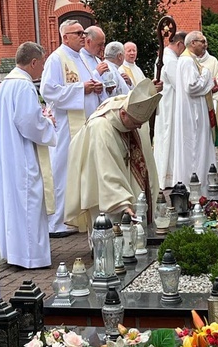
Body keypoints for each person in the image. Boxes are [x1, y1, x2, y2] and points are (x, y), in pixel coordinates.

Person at [64, 79, 161, 236]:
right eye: (136, 123)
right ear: (123, 114)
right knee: (108, 233)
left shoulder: (127, 108)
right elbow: (106, 172)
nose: (139, 127)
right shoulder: (101, 128)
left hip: (121, 182)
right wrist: (122, 203)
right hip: (102, 190)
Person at [0, 42, 57, 269]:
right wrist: (48, 122)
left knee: (13, 203)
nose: (42, 69)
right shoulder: (24, 86)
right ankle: (31, 256)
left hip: (8, 153)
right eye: (41, 64)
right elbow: (30, 123)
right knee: (29, 201)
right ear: (33, 62)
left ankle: (14, 252)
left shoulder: (6, 83)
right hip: (22, 155)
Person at [40, 19, 106, 237]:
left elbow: (89, 82)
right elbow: (48, 90)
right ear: (65, 37)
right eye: (77, 33)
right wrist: (82, 89)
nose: (82, 35)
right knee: (62, 171)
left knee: (81, 171)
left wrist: (96, 85)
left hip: (85, 124)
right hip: (67, 127)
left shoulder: (83, 59)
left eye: (83, 32)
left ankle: (77, 217)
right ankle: (58, 222)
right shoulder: (56, 59)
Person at [173, 31, 218, 195]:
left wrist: (209, 87)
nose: (205, 45)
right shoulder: (187, 61)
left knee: (199, 146)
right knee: (194, 149)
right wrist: (207, 74)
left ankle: (201, 184)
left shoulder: (190, 60)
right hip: (192, 115)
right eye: (202, 42)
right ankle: (195, 188)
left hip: (195, 110)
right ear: (192, 43)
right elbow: (191, 87)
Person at [153, 31, 187, 189]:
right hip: (170, 106)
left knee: (166, 138)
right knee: (170, 138)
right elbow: (180, 84)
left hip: (168, 104)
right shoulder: (171, 60)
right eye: (184, 47)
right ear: (179, 44)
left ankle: (165, 176)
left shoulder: (165, 57)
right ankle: (170, 177)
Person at [197, 40, 218, 142]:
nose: (204, 45)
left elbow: (217, 80)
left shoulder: (212, 61)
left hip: (211, 98)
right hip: (196, 98)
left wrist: (210, 89)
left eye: (205, 43)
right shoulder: (190, 60)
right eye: (202, 43)